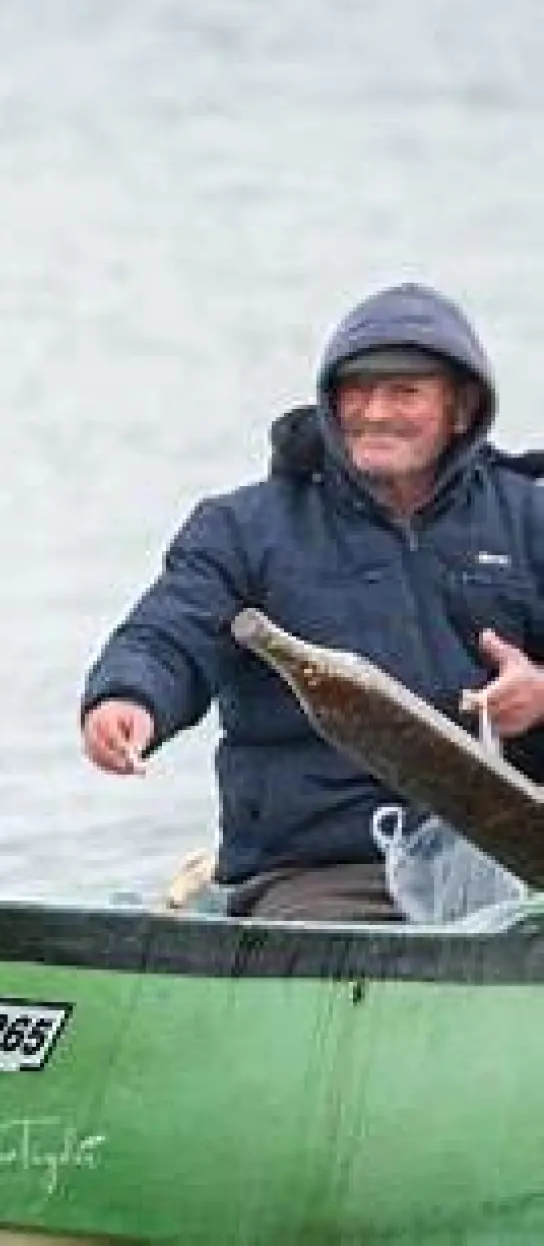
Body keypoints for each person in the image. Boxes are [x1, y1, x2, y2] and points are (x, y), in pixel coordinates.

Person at [80, 282, 544, 921]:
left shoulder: (529, 515)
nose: (374, 411)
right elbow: (170, 632)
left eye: (404, 392)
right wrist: (127, 698)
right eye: (357, 390)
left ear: (460, 409)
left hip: (519, 861)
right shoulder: (243, 528)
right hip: (325, 867)